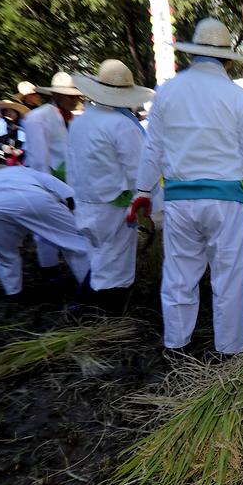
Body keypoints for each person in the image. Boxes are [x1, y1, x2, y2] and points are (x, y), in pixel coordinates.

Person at [127, 17, 243, 355]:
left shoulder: (167, 91)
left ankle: (176, 345)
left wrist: (143, 192)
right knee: (229, 279)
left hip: (180, 199)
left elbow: (154, 147)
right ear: (227, 59)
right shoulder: (240, 97)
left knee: (179, 275)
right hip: (226, 202)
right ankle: (230, 350)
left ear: (192, 55)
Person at [67, 59, 154, 312]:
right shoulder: (123, 124)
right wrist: (155, 211)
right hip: (113, 206)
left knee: (99, 257)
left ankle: (92, 311)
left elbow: (72, 162)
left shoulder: (81, 121)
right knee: (113, 264)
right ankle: (93, 312)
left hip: (84, 201)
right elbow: (140, 170)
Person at [0, 165, 90, 298]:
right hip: (32, 198)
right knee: (77, 244)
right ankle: (90, 289)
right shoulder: (26, 171)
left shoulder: (1, 175)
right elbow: (67, 194)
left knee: (4, 253)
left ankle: (13, 292)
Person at [22, 72, 84, 277]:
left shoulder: (72, 119)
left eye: (76, 95)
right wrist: (50, 189)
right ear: (57, 95)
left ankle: (67, 270)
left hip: (70, 181)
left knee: (70, 227)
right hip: (47, 182)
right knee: (45, 229)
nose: (76, 99)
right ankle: (49, 271)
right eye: (70, 95)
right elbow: (39, 159)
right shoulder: (37, 118)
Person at [0, 100, 28, 166]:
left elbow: (25, 143)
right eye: (6, 111)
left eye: (11, 110)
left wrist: (20, 150)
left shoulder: (21, 126)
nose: (8, 113)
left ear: (17, 112)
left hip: (17, 161)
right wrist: (2, 146)